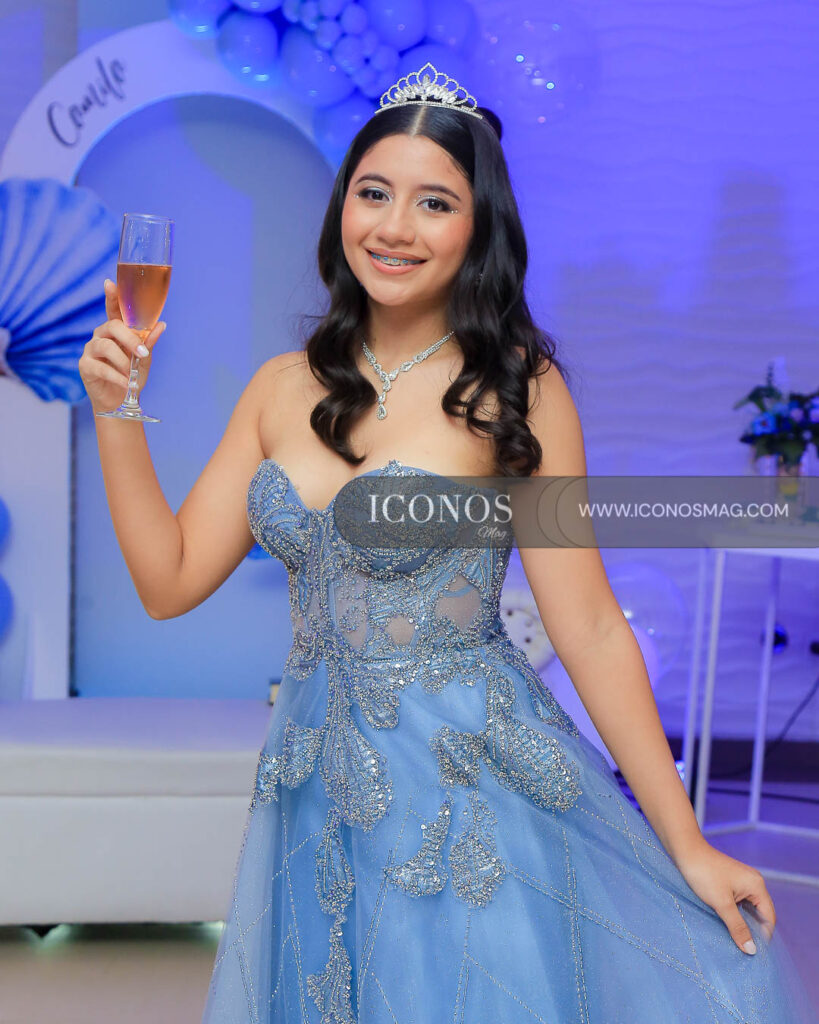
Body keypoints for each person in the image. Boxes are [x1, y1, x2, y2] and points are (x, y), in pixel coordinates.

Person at [80, 64, 814, 1024]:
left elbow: (589, 626)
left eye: (434, 202)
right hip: (313, 798)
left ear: (478, 229)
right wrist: (118, 411)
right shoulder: (279, 388)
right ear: (341, 208)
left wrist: (685, 840)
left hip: (469, 801)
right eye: (373, 193)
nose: (394, 227)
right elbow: (168, 581)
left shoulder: (519, 388)